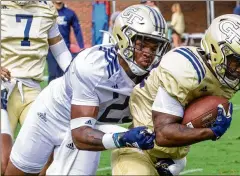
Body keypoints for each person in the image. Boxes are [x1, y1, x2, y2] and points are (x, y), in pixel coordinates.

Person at [4, 4, 170, 175]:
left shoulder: (159, 76)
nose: (149, 53)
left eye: (155, 46)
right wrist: (123, 139)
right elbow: (80, 135)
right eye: (142, 44)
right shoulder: (94, 66)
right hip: (52, 117)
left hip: (92, 125)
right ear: (124, 38)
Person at [111, 14, 240, 175]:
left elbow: (189, 120)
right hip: (139, 147)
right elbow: (162, 133)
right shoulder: (185, 68)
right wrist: (212, 132)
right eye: (236, 61)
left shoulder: (224, 80)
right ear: (216, 50)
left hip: (168, 156)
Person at [1, 2, 72, 174]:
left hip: (33, 89)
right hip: (2, 87)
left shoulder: (46, 8)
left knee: (45, 156)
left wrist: (75, 75)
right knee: (3, 161)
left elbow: (59, 49)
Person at [47, 1, 85, 83]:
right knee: (52, 75)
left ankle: (62, 95)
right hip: (50, 51)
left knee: (64, 76)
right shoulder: (47, 12)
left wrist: (81, 46)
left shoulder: (70, 13)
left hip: (64, 50)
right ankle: (50, 95)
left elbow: (77, 30)